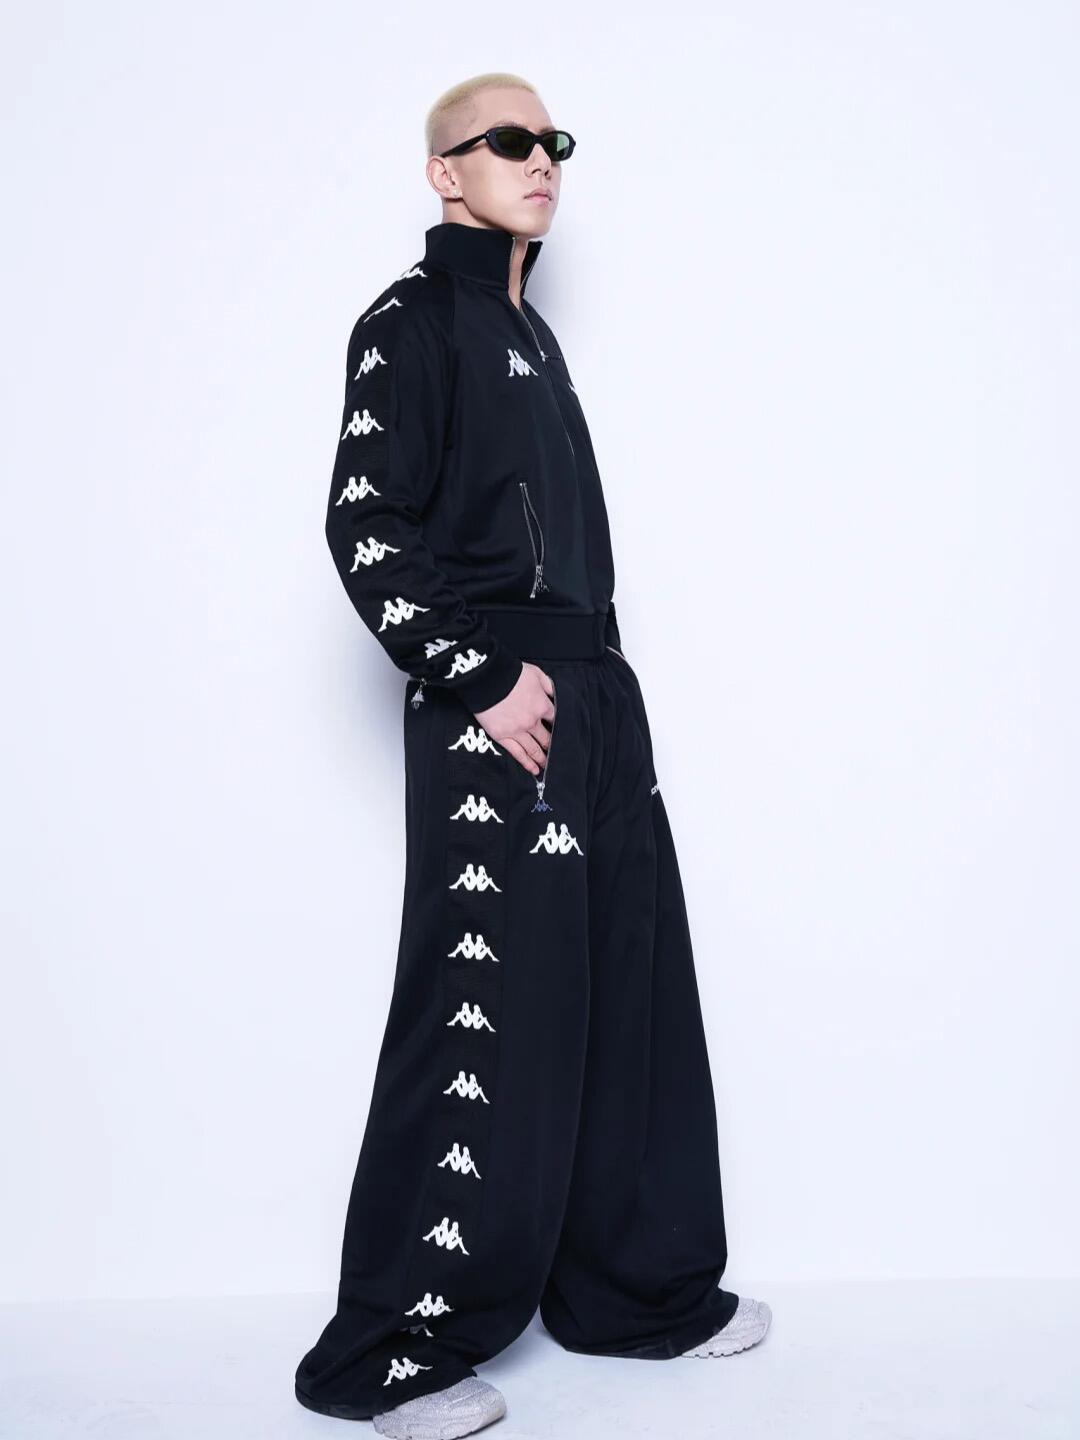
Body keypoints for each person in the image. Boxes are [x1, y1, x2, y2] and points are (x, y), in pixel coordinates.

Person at [294, 71, 772, 1440]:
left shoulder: (528, 331)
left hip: (594, 689)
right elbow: (364, 527)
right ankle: (392, 1355)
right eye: (507, 140)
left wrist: (591, 686)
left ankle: (635, 1295)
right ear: (445, 172)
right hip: (498, 696)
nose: (540, 158)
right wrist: (482, 676)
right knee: (484, 1008)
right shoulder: (410, 322)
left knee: (626, 992)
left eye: (553, 140)